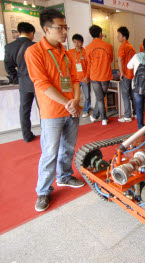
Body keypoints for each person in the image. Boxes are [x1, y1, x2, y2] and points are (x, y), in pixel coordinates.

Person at [25, 8, 85, 212]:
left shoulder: (66, 54)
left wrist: (75, 101)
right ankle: (43, 191)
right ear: (45, 29)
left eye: (65, 27)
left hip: (72, 110)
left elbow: (75, 80)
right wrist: (67, 103)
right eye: (59, 28)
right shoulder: (34, 52)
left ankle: (65, 176)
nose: (64, 32)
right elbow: (41, 83)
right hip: (52, 112)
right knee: (50, 152)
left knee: (68, 146)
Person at [5, 22, 37, 142]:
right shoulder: (35, 46)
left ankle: (27, 135)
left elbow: (9, 68)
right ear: (31, 33)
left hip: (24, 82)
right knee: (43, 108)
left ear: (19, 32)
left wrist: (17, 79)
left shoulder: (9, 47)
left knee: (24, 109)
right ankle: (47, 131)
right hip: (37, 81)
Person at [85, 25, 113, 125]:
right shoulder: (109, 46)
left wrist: (87, 76)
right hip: (105, 75)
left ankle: (99, 116)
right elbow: (111, 59)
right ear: (100, 34)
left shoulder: (88, 48)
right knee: (101, 97)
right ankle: (101, 117)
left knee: (100, 97)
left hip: (94, 76)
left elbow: (88, 64)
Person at [116, 26, 137, 123]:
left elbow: (120, 60)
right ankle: (136, 113)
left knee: (125, 95)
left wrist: (121, 73)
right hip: (132, 74)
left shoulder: (122, 46)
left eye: (119, 35)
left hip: (126, 74)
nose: (117, 37)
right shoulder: (131, 47)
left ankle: (127, 115)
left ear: (124, 36)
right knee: (132, 94)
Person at [67, 34, 90, 118]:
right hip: (74, 79)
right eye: (75, 42)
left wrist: (87, 76)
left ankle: (86, 110)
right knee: (73, 97)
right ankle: (73, 110)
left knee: (87, 96)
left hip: (84, 78)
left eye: (79, 42)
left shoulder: (86, 52)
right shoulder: (70, 52)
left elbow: (89, 66)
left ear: (82, 42)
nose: (77, 44)